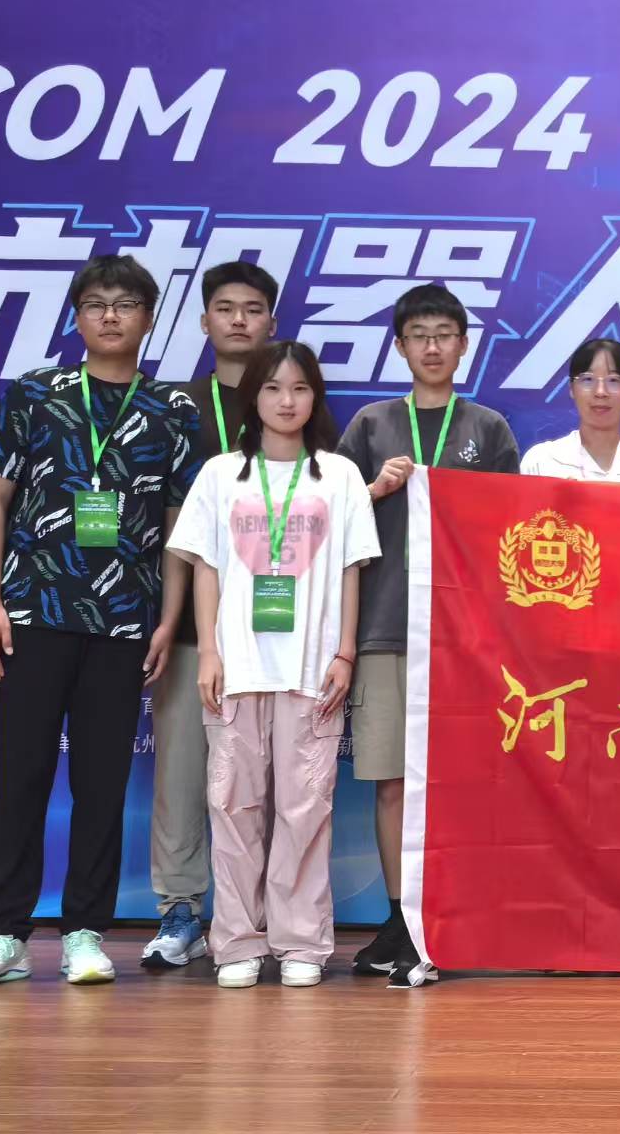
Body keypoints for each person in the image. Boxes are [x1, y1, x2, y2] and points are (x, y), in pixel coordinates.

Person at [0, 256, 201, 991]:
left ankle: (85, 933)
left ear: (149, 317)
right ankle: (3, 936)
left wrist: (167, 619)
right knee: (20, 776)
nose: (110, 316)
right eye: (95, 304)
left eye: (126, 304)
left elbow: (178, 527)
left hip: (124, 622)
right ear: (77, 316)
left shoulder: (171, 410)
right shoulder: (37, 393)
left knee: (102, 784)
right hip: (33, 612)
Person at [166, 341, 379, 989]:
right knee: (233, 805)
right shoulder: (220, 474)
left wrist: (344, 651)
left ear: (316, 398)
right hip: (236, 667)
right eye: (273, 388)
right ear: (253, 396)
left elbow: (350, 569)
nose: (287, 401)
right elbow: (204, 567)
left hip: (312, 669)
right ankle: (235, 941)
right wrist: (209, 650)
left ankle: (301, 942)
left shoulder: (339, 476)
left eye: (300, 388)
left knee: (306, 808)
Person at [334, 283, 522, 985]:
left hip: (461, 638)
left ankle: (448, 911)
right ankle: (399, 916)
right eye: (420, 335)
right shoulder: (371, 426)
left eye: (445, 334)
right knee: (390, 780)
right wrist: (372, 490)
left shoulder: (489, 429)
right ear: (400, 345)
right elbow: (327, 521)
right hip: (384, 627)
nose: (433, 346)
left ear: (464, 345)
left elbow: (510, 533)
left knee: (457, 783)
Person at [141, 261, 282, 973]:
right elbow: (166, 523)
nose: (238, 320)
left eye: (252, 309)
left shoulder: (290, 397)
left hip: (276, 628)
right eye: (224, 309)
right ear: (204, 322)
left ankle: (260, 915)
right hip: (193, 624)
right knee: (181, 772)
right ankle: (180, 910)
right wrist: (167, 617)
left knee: (267, 782)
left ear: (271, 322)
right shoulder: (175, 405)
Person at [520, 338, 620, 486]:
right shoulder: (541, 462)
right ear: (571, 389)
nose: (600, 392)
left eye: (614, 380)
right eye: (588, 380)